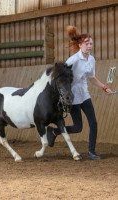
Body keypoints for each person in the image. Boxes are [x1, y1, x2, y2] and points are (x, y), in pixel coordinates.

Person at [47, 25, 113, 160]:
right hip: (71, 96)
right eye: (87, 43)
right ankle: (54, 131)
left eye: (91, 43)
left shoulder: (92, 59)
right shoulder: (73, 60)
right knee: (78, 127)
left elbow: (91, 77)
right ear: (80, 44)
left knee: (93, 123)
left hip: (84, 94)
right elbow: (60, 75)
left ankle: (92, 152)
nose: (90, 46)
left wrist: (104, 87)